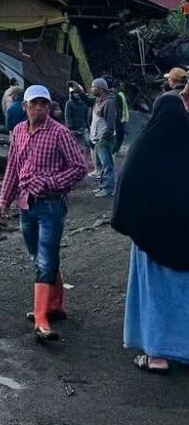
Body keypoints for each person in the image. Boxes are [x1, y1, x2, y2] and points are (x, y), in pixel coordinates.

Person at [0, 85, 87, 341]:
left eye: (44, 104)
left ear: (49, 106)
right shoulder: (18, 132)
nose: (39, 108)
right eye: (34, 104)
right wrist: (4, 199)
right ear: (24, 106)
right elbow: (12, 168)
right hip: (26, 204)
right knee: (39, 256)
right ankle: (54, 305)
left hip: (51, 204)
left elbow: (79, 167)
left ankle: (41, 319)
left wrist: (50, 182)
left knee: (46, 258)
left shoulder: (59, 133)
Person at [112, 92, 189, 374]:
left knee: (155, 296)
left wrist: (133, 225)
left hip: (151, 242)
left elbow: (127, 186)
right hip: (186, 242)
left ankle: (156, 355)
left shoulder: (144, 146)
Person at [85, 78, 118, 197]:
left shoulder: (109, 102)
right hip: (97, 139)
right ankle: (103, 186)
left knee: (107, 165)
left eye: (93, 87)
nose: (92, 89)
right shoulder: (98, 101)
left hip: (104, 140)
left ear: (100, 88)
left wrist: (103, 138)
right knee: (102, 167)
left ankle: (108, 188)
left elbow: (110, 124)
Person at [64, 87, 90, 162]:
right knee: (74, 145)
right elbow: (67, 116)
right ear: (72, 94)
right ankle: (75, 161)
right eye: (76, 93)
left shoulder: (84, 103)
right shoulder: (69, 103)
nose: (77, 94)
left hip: (84, 127)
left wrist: (87, 125)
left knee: (87, 144)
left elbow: (86, 115)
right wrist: (70, 127)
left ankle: (85, 161)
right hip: (73, 128)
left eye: (79, 93)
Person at [113, 80, 130, 154]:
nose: (122, 87)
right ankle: (115, 150)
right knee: (120, 136)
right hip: (120, 119)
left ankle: (116, 149)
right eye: (121, 86)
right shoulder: (118, 96)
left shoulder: (121, 94)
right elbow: (119, 108)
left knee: (121, 136)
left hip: (123, 118)